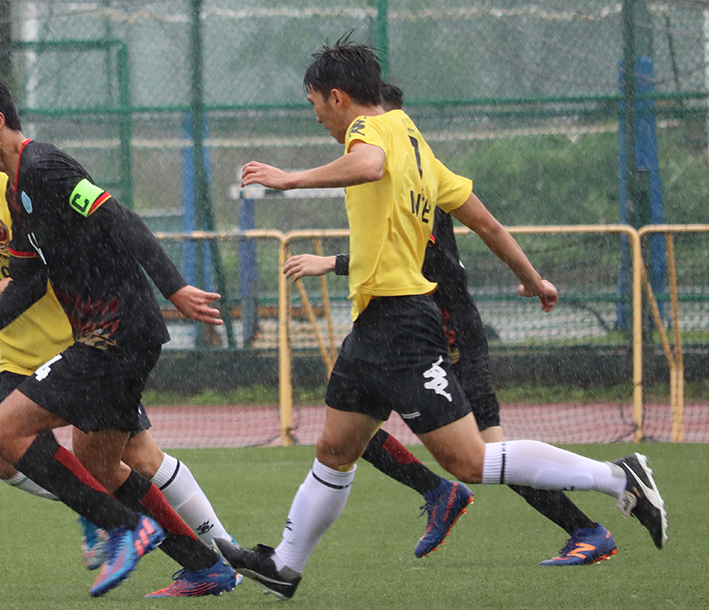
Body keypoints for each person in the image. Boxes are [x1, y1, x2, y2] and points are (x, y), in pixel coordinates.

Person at [216, 38, 667, 601]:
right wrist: (532, 278)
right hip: (374, 325)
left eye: (316, 107)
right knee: (335, 449)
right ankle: (285, 565)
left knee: (470, 460)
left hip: (404, 323)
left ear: (337, 96)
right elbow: (486, 223)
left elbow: (369, 163)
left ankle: (619, 478)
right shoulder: (418, 144)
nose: (320, 120)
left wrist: (290, 178)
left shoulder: (370, 132)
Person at [281, 82, 617, 567]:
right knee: (349, 433)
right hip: (406, 332)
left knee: (485, 456)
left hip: (444, 330)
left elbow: (427, 260)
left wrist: (332, 259)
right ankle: (441, 494)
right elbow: (464, 235)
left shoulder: (408, 168)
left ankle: (589, 519)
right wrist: (534, 280)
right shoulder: (403, 168)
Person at [0, 74, 237, 598]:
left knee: (3, 432)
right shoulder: (20, 194)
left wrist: (175, 287)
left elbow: (120, 217)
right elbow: (26, 283)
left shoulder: (44, 167)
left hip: (116, 332)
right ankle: (205, 565)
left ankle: (124, 528)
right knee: (100, 465)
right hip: (112, 334)